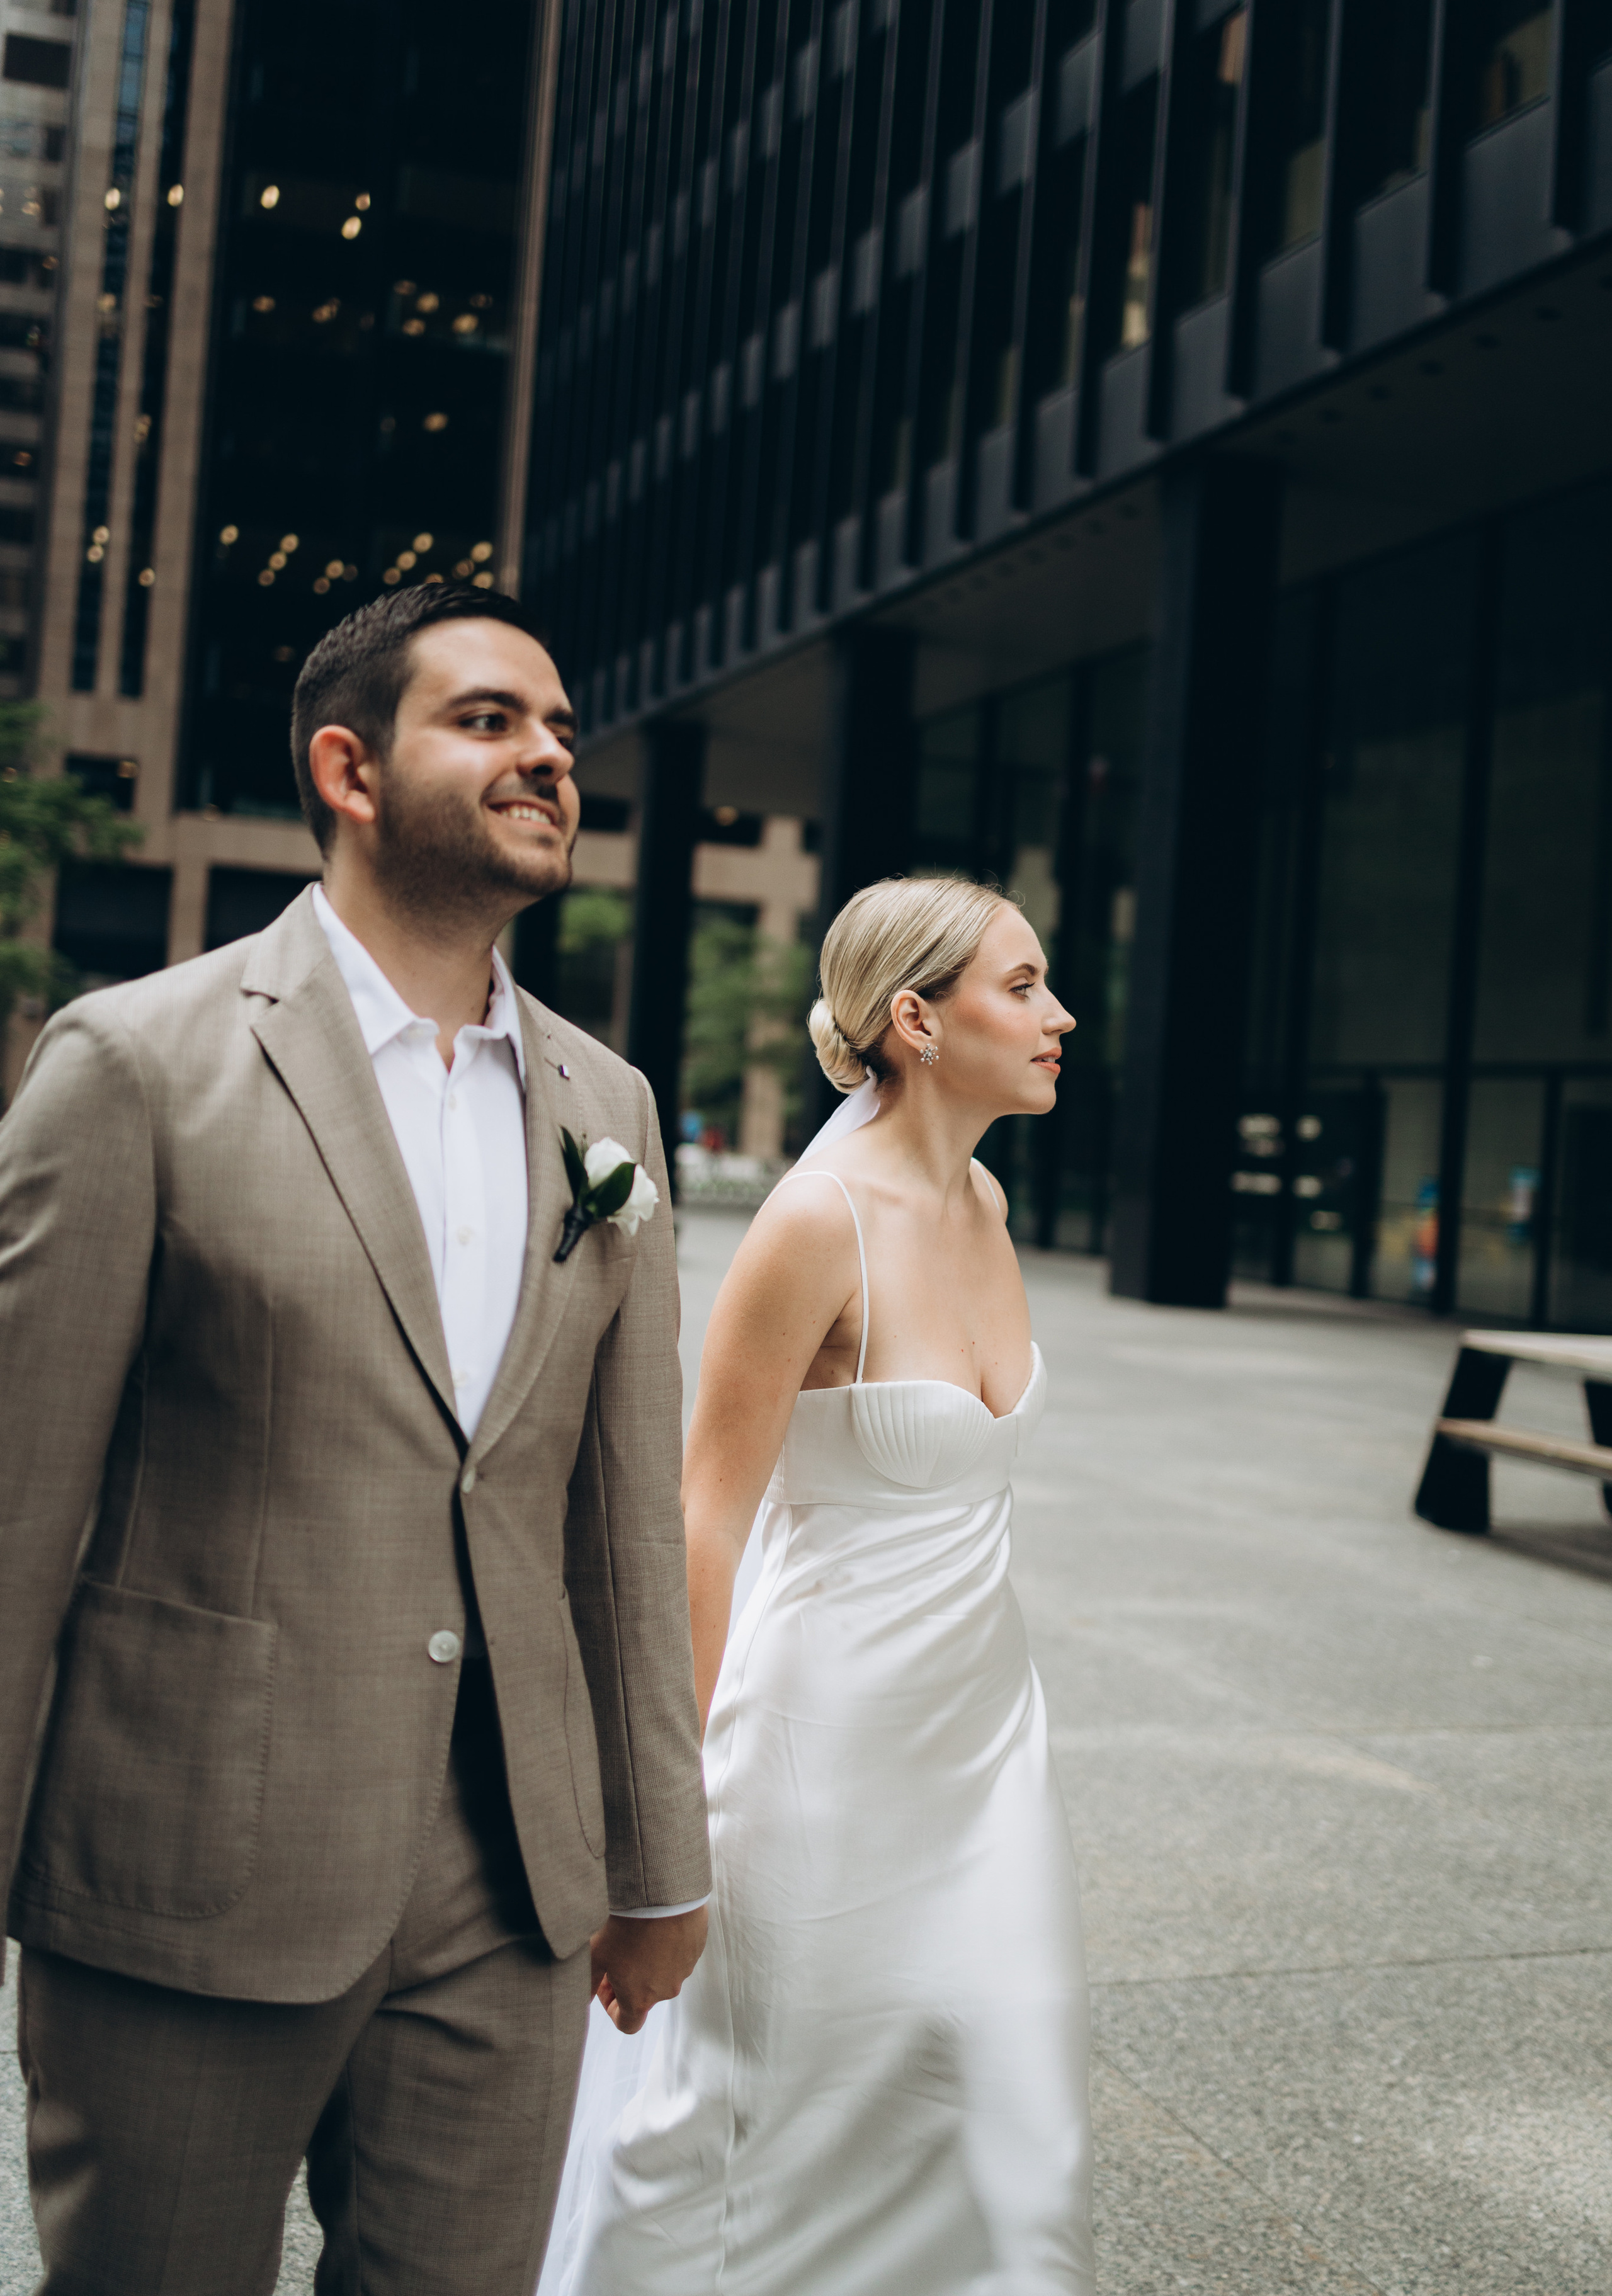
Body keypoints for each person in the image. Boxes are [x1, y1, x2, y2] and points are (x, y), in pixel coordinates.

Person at [0, 582, 711, 2295]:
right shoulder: (136, 1064)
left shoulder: (605, 1109)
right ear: (349, 766)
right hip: (189, 1862)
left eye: (557, 728)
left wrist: (658, 1855)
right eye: (488, 720)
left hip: (512, 1888)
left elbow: (619, 1516)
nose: (549, 754)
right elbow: (15, 1513)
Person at [547, 875, 1094, 2296]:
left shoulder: (981, 1199)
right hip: (815, 1745)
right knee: (748, 2113)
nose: (1060, 1016)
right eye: (1023, 985)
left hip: (982, 1749)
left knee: (996, 2107)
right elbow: (702, 1519)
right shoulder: (813, 1222)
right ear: (914, 1019)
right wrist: (655, 1830)